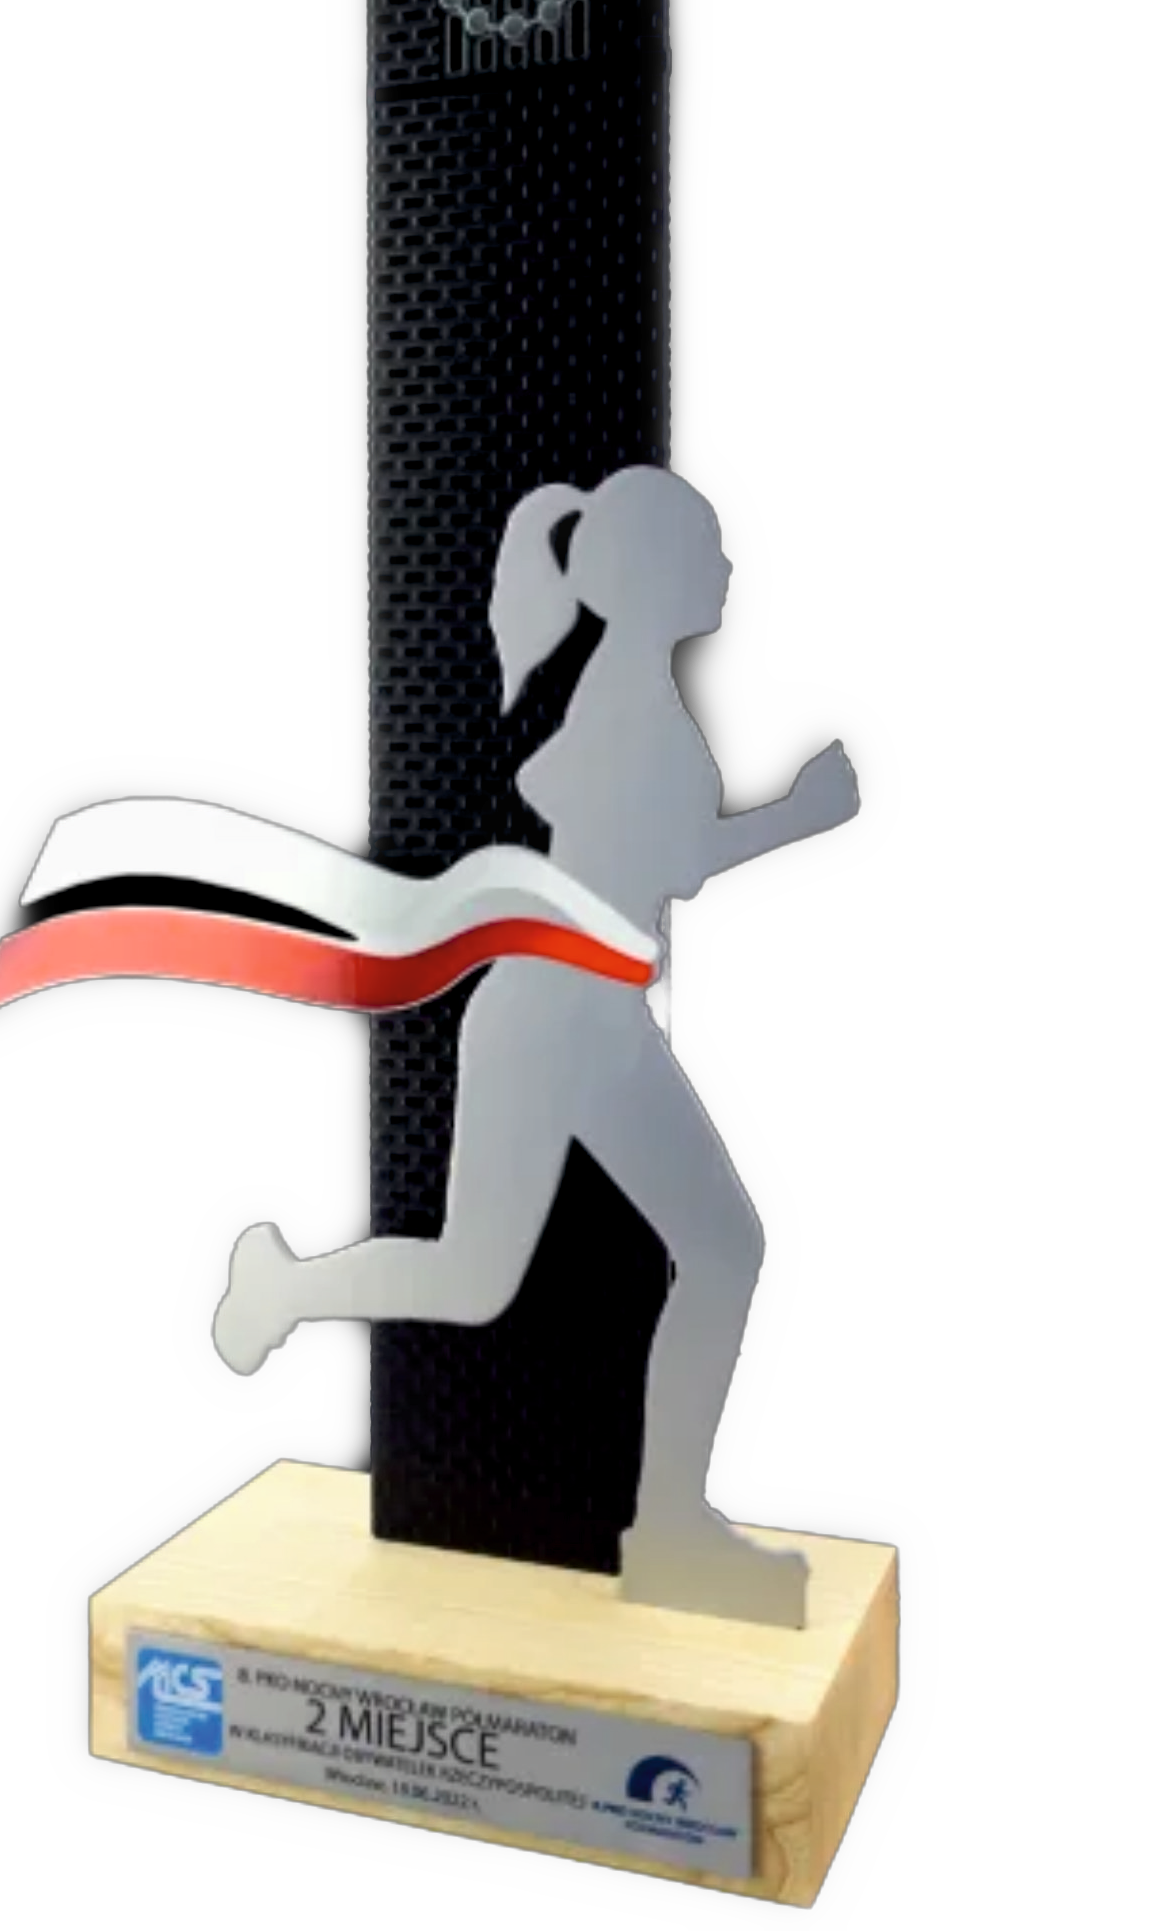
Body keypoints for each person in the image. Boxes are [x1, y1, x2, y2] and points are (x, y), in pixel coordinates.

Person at [211, 466, 858, 1623]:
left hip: (592, 1017)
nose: (725, 568)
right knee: (481, 1276)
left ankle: (668, 1524)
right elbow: (678, 863)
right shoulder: (626, 702)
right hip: (548, 1020)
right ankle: (283, 1285)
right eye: (706, 549)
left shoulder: (637, 692)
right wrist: (801, 813)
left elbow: (653, 863)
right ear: (651, 573)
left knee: (718, 1246)